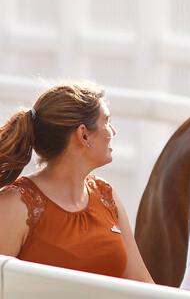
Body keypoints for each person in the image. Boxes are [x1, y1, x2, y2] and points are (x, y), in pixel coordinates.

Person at [0, 81, 153, 282]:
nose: (113, 131)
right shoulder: (14, 206)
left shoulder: (107, 195)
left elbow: (144, 286)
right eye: (106, 121)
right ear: (83, 134)